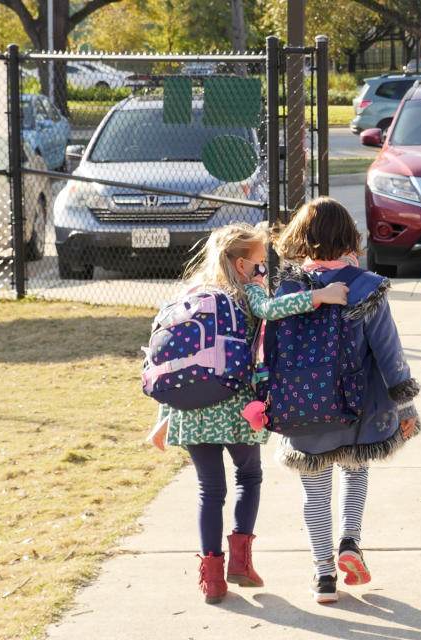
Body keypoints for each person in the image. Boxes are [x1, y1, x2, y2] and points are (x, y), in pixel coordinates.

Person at [148, 222, 350, 605]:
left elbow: (172, 358)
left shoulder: (189, 294)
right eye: (260, 265)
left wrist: (165, 413)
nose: (263, 272)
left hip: (191, 411)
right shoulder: (245, 292)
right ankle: (240, 562)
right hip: (236, 405)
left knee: (209, 490)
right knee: (248, 475)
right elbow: (273, 310)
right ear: (241, 265)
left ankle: (212, 578)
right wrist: (321, 295)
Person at [270, 197, 420, 604]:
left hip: (304, 407)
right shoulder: (365, 286)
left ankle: (323, 576)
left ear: (301, 237)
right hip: (359, 408)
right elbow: (390, 355)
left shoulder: (286, 289)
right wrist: (406, 407)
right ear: (349, 238)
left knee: (314, 491)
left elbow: (267, 350)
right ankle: (350, 541)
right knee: (355, 472)